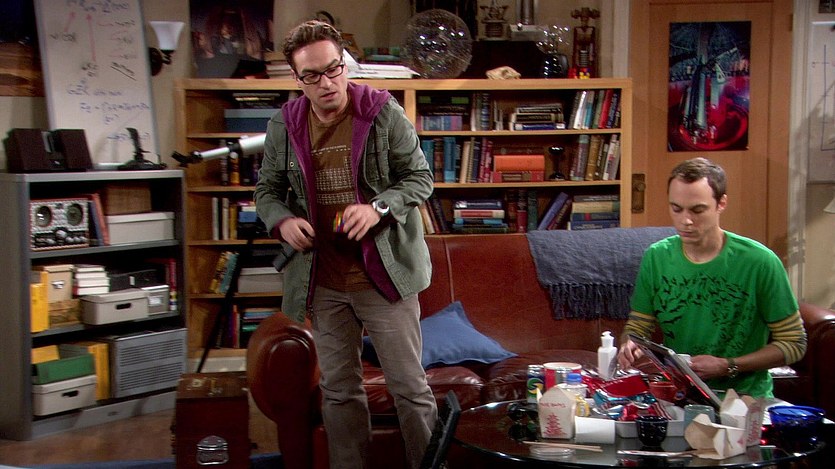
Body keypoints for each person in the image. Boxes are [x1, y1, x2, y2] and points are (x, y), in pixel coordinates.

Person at [253, 20, 437, 469]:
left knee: (410, 389)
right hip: (324, 281)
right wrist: (282, 221)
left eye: (334, 69)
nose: (327, 82)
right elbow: (267, 191)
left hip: (383, 277)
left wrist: (379, 208)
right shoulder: (285, 124)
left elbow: (420, 178)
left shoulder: (382, 112)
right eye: (312, 75)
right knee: (338, 392)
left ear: (345, 65)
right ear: (297, 78)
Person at [617, 157, 807, 398]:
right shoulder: (656, 257)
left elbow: (794, 343)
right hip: (680, 395)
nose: (685, 221)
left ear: (721, 203)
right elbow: (638, 327)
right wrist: (631, 344)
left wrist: (729, 365)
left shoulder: (760, 262)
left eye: (697, 210)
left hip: (744, 399)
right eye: (676, 209)